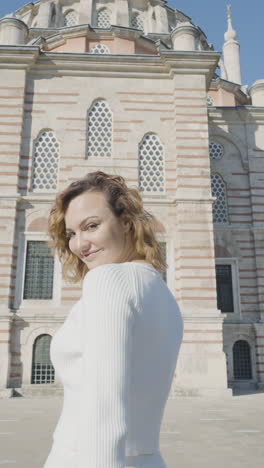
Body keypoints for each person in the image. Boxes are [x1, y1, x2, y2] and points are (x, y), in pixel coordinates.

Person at [43, 171, 183, 468]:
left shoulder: (107, 281)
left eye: (91, 226)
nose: (79, 245)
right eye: (71, 234)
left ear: (126, 222)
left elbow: (103, 412)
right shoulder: (162, 292)